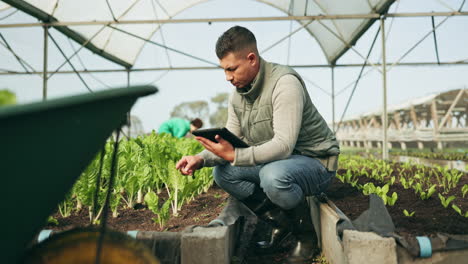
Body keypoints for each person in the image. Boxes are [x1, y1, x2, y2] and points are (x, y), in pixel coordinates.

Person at [175, 26, 339, 263]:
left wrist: (235, 156)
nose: (228, 77)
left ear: (251, 59)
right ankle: (280, 222)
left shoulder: (285, 83)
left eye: (232, 69)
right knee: (223, 173)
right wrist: (200, 159)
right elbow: (231, 136)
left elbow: (283, 145)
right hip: (285, 162)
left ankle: (306, 237)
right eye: (224, 70)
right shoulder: (238, 94)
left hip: (316, 163)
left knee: (273, 176)